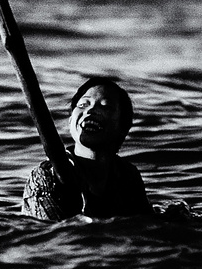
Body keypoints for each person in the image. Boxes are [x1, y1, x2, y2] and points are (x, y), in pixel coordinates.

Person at [20, 76, 152, 220]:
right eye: (83, 105)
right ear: (71, 121)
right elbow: (48, 235)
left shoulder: (127, 176)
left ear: (123, 128)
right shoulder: (45, 177)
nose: (91, 110)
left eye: (105, 106)